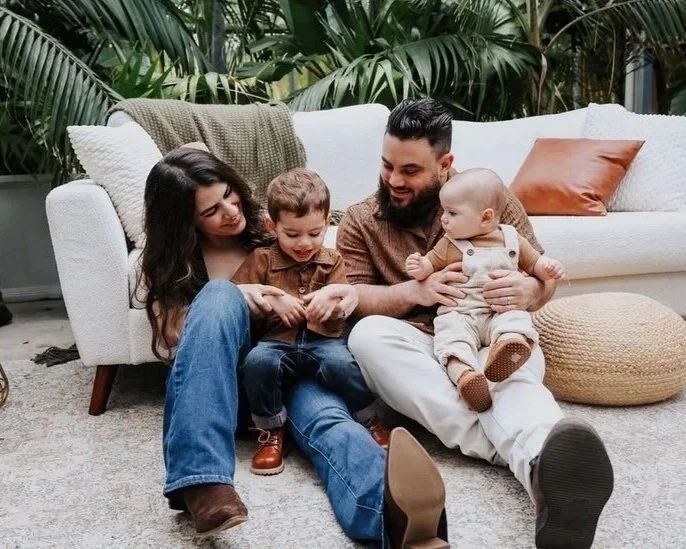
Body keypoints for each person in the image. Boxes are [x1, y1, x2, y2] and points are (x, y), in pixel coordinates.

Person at [337, 98, 614, 549]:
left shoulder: (488, 198)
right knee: (367, 336)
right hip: (419, 349)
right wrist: (415, 292)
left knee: (509, 365)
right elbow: (353, 296)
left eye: (410, 170)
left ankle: (545, 473)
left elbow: (540, 274)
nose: (393, 179)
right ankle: (536, 461)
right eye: (388, 165)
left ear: (445, 164)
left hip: (492, 335)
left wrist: (532, 291)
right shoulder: (360, 220)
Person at [140, 145, 449, 548]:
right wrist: (245, 295)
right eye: (211, 211)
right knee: (219, 295)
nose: (231, 211)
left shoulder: (273, 233)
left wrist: (334, 301)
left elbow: (336, 286)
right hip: (238, 387)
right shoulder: (179, 263)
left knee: (330, 422)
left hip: (299, 368)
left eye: (230, 196)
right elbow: (172, 335)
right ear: (183, 221)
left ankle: (397, 521)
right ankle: (202, 481)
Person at [233, 168, 390, 475]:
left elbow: (344, 301)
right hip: (277, 342)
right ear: (271, 225)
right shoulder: (261, 259)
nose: (304, 243)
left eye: (314, 233)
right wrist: (272, 300)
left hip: (323, 340)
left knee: (343, 364)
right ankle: (270, 431)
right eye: (292, 234)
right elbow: (240, 301)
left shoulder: (333, 260)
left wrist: (330, 304)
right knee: (257, 363)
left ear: (328, 221)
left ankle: (370, 418)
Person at [405, 168, 565, 412]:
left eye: (452, 213)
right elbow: (427, 266)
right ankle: (466, 376)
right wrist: (417, 266)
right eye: (443, 212)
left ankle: (509, 348)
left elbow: (534, 264)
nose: (443, 219)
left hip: (498, 310)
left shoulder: (512, 239)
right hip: (462, 313)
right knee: (451, 338)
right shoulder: (450, 244)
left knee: (515, 319)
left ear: (486, 217)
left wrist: (548, 268)